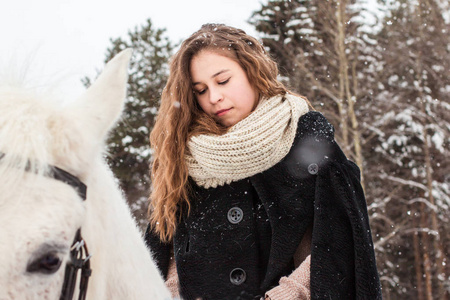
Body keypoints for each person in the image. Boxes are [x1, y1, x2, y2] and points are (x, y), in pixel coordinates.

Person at [145, 23, 382, 300]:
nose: (214, 97)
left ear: (251, 70)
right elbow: (170, 245)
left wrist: (288, 294)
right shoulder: (186, 157)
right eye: (200, 90)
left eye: (222, 81)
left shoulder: (305, 137)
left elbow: (338, 239)